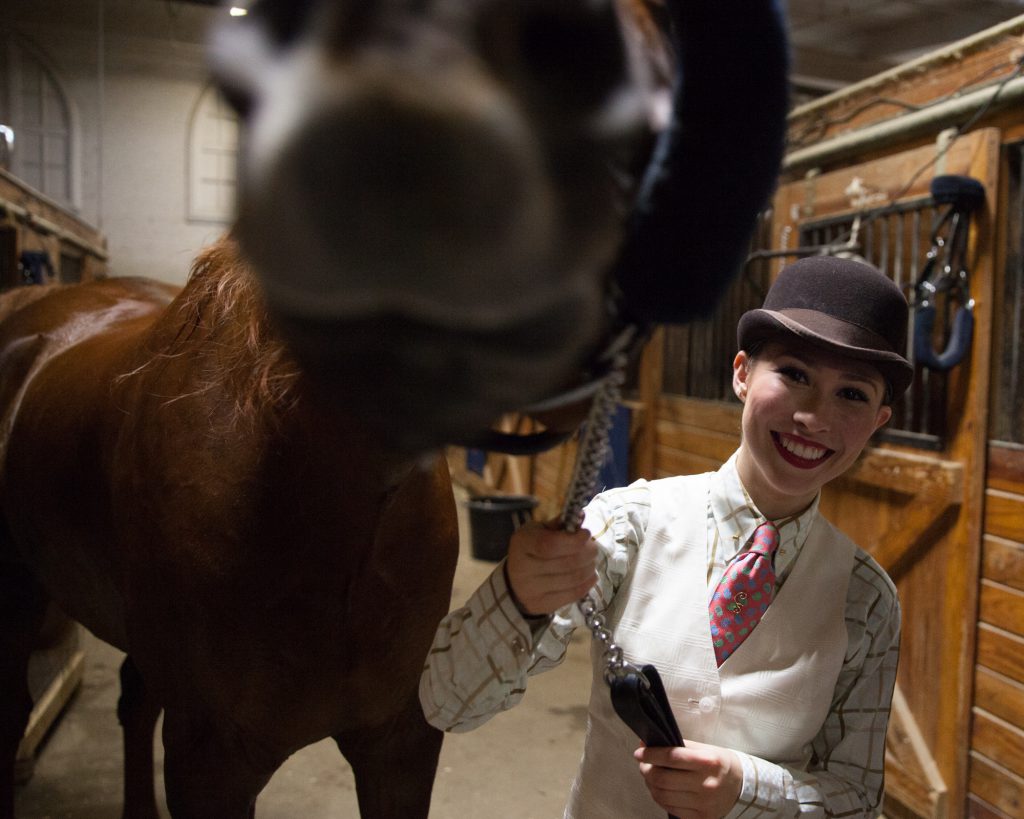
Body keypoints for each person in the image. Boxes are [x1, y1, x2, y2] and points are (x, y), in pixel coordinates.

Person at [420, 256, 912, 818]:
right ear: (742, 374)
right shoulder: (629, 522)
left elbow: (857, 798)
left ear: (878, 420)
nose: (814, 418)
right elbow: (446, 705)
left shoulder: (867, 600)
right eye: (794, 374)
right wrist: (515, 599)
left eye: (852, 394)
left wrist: (747, 791)